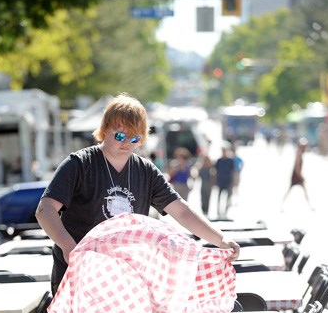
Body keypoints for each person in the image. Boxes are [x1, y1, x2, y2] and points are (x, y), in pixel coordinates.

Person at [35, 93, 240, 295]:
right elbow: (45, 210)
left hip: (125, 277)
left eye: (134, 138)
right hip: (78, 275)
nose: (126, 144)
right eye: (120, 136)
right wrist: (68, 246)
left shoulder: (146, 170)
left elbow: (181, 211)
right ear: (105, 130)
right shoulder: (79, 163)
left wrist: (220, 240)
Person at [282, 137, 312, 208]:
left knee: (303, 190)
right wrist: (301, 176)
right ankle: (282, 204)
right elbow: (297, 168)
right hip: (296, 176)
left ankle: (310, 205)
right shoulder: (299, 154)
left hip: (296, 175)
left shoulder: (299, 153)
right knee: (291, 190)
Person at [215, 145, 235, 217]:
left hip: (228, 181)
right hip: (220, 181)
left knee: (228, 197)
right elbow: (215, 172)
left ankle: (226, 212)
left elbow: (233, 172)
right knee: (219, 197)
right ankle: (218, 212)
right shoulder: (219, 161)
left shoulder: (230, 161)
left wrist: (233, 182)